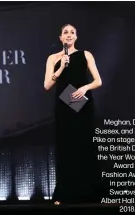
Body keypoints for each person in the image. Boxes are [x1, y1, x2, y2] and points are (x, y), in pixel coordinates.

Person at [44, 24, 103, 205]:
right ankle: (64, 193)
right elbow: (47, 85)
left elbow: (98, 81)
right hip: (64, 105)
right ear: (60, 38)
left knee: (84, 146)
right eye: (65, 32)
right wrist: (61, 67)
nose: (69, 35)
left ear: (76, 37)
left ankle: (89, 191)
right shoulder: (53, 58)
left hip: (83, 104)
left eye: (72, 32)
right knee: (66, 148)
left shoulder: (86, 55)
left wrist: (85, 87)